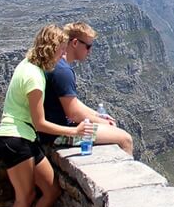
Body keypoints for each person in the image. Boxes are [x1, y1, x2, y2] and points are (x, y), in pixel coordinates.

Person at [0, 24, 91, 207]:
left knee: (51, 188)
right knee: (24, 197)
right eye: (59, 50)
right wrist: (74, 131)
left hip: (24, 140)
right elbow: (40, 122)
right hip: (16, 140)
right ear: (50, 49)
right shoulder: (35, 77)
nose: (61, 56)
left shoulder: (26, 64)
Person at [40, 22, 134, 156]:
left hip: (51, 132)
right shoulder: (63, 71)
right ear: (75, 43)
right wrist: (105, 124)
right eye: (88, 46)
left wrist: (97, 116)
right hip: (58, 135)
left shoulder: (58, 65)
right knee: (125, 139)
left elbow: (72, 101)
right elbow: (73, 113)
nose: (90, 51)